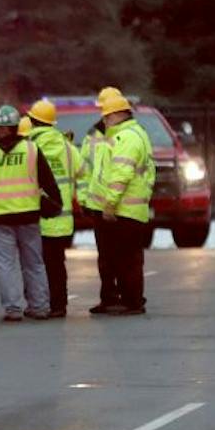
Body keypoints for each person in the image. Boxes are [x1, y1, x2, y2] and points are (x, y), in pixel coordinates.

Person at [0, 104, 61, 322]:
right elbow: (48, 181)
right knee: (34, 263)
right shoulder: (31, 150)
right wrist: (55, 204)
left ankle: (13, 308)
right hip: (29, 215)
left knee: (5, 265)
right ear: (17, 127)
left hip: (0, 218)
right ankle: (39, 306)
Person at [92, 90, 155, 315]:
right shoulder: (127, 134)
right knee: (124, 258)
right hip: (128, 208)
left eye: (107, 116)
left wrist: (110, 204)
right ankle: (129, 300)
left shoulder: (127, 138)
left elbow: (121, 174)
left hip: (126, 209)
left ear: (119, 115)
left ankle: (133, 302)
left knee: (129, 259)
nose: (105, 120)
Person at [26, 98, 83, 318]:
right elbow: (82, 171)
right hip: (62, 218)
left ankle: (39, 303)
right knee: (57, 264)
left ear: (33, 121)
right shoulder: (67, 148)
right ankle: (59, 305)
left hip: (36, 215)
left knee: (35, 265)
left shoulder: (29, 147)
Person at [80, 87, 120, 313]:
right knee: (106, 256)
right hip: (100, 204)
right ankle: (110, 296)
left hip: (118, 204)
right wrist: (86, 199)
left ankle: (116, 296)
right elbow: (86, 170)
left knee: (114, 254)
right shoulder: (94, 136)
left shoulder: (118, 135)